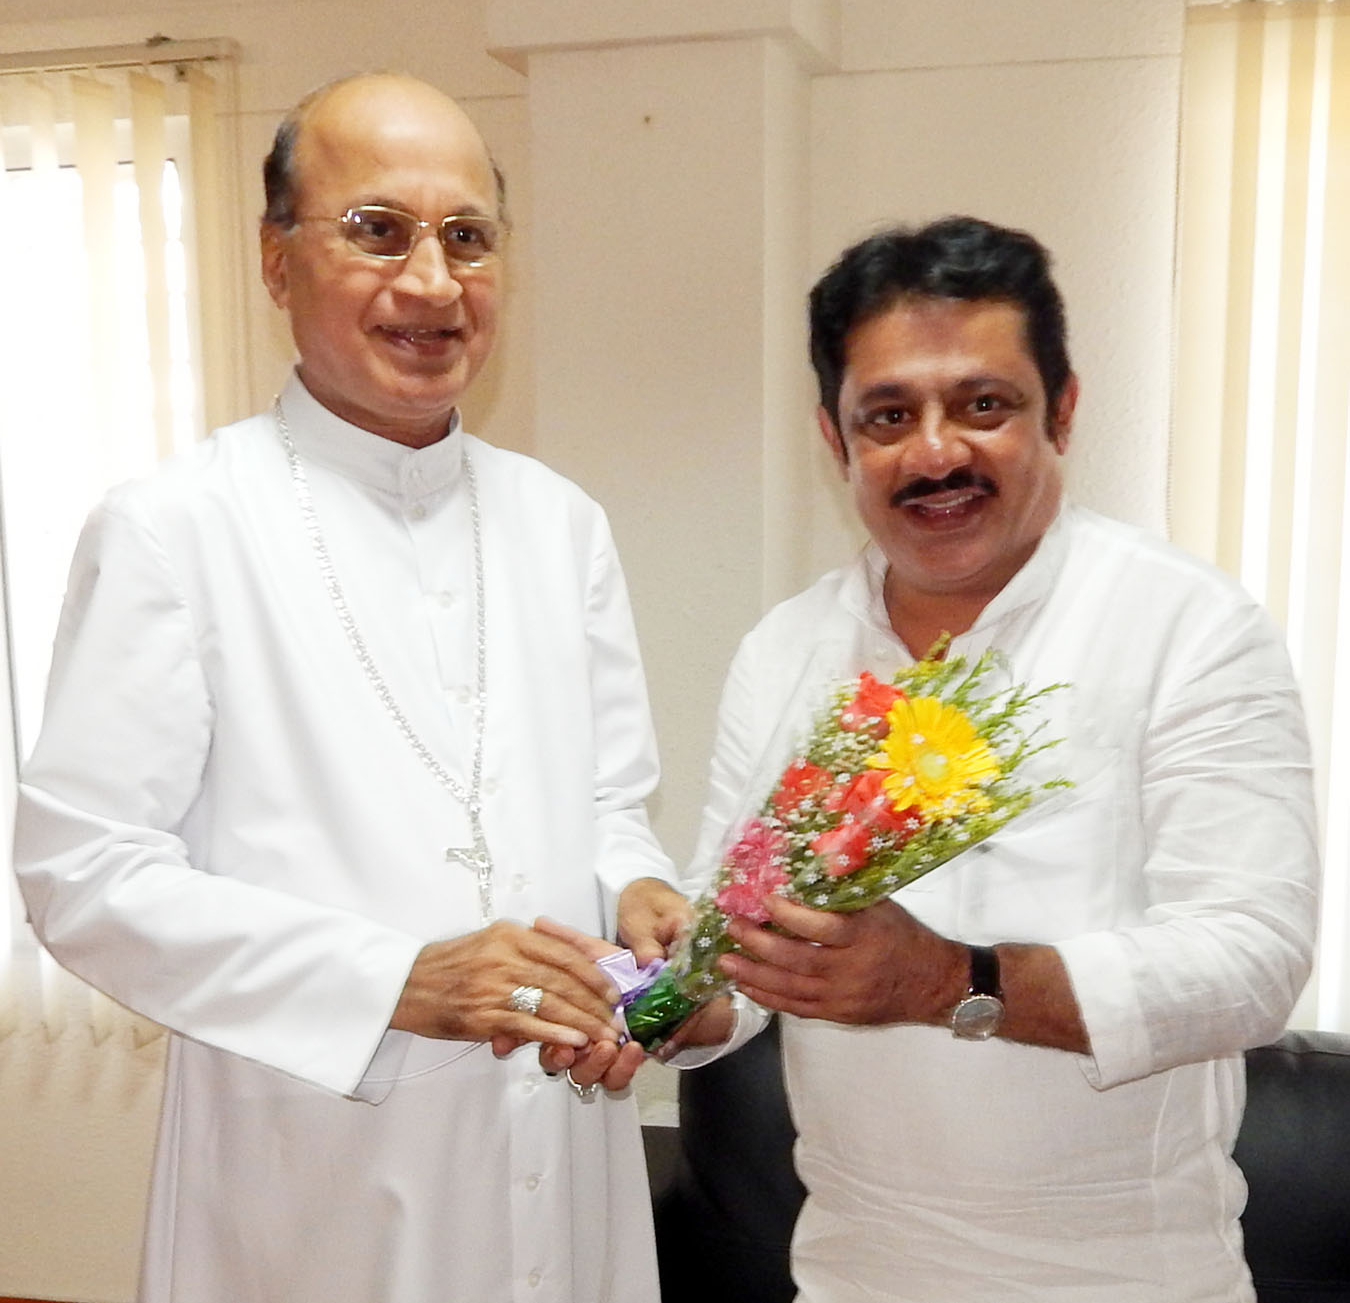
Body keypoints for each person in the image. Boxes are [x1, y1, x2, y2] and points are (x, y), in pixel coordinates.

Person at [13, 72, 690, 1303]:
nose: (431, 282)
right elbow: (85, 873)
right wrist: (391, 981)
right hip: (314, 1167)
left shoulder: (560, 523)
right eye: (378, 230)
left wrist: (638, 897)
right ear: (277, 260)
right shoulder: (177, 528)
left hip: (558, 1136)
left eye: (467, 238)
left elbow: (608, 805)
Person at [684, 216, 1320, 1301]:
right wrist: (662, 1003)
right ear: (836, 439)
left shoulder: (1187, 626)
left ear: (1061, 410)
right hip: (850, 1274)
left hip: (1126, 1281)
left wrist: (949, 979)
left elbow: (1251, 959)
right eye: (889, 415)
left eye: (983, 405)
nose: (935, 454)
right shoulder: (786, 651)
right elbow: (741, 942)